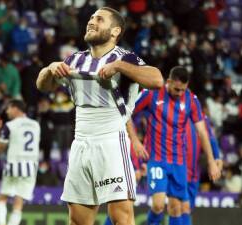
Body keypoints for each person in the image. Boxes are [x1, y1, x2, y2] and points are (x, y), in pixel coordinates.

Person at [36, 7, 164, 225]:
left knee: (121, 218)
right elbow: (42, 86)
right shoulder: (75, 60)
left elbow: (157, 79)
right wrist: (50, 68)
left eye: (99, 19)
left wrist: (119, 67)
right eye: (91, 18)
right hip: (80, 144)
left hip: (111, 141)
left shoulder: (125, 58)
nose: (91, 22)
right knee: (77, 221)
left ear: (115, 32)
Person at [129, 66, 221, 225]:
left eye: (183, 90)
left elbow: (202, 132)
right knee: (158, 205)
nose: (179, 93)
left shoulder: (191, 100)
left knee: (177, 208)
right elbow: (126, 113)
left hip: (179, 161)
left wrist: (212, 161)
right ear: (168, 81)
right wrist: (135, 140)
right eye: (177, 89)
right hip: (157, 160)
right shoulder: (151, 94)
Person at [0, 100, 40, 225]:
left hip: (14, 164)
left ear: (15, 108)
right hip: (30, 168)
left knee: (2, 198)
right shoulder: (36, 125)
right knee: (18, 204)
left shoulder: (10, 125)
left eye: (8, 108)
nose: (7, 112)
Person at [181, 114, 222, 225]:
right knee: (181, 207)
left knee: (188, 209)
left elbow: (211, 138)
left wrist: (217, 157)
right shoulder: (173, 112)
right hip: (178, 169)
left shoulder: (201, 117)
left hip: (194, 172)